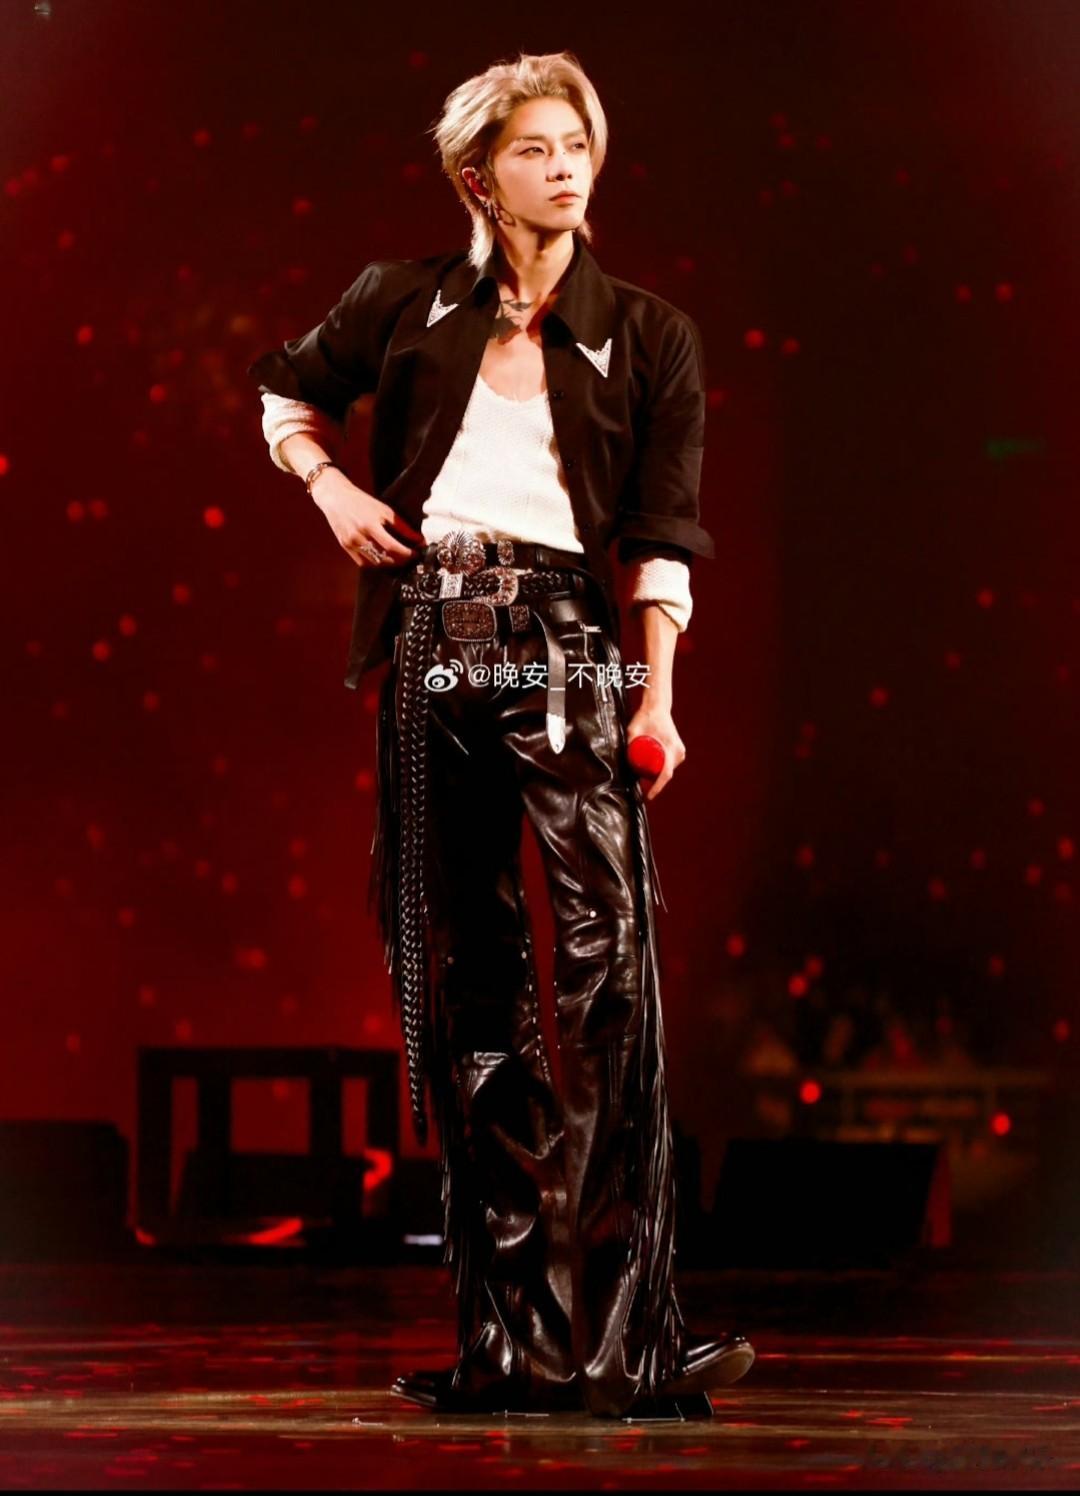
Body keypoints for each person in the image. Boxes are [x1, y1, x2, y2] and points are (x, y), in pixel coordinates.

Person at [246, 49, 755, 1421]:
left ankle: (626, 1342)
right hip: (432, 643)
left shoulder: (648, 333)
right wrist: (332, 491)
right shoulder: (403, 301)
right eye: (536, 148)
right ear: (480, 176)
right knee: (471, 984)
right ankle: (513, 1348)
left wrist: (659, 698)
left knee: (609, 979)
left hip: (569, 652)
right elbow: (283, 393)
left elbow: (662, 536)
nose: (565, 168)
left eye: (577, 144)